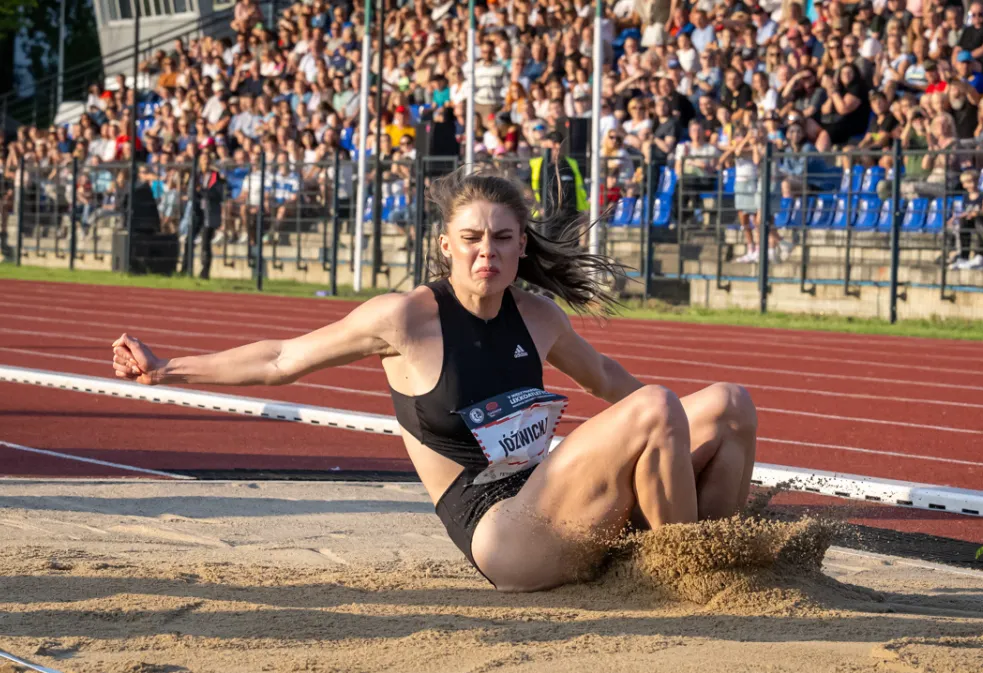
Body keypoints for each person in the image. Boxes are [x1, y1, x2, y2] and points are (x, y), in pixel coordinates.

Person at [111, 170, 757, 593]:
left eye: (503, 239)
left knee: (730, 404)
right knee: (657, 408)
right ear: (445, 245)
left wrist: (671, 435)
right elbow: (283, 358)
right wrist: (166, 368)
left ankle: (719, 564)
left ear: (522, 245)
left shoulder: (537, 315)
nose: (488, 252)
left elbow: (609, 379)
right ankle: (689, 581)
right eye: (472, 238)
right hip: (501, 533)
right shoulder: (406, 319)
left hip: (556, 503)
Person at [184, 151, 226, 280]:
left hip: (210, 211)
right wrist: (198, 193)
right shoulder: (196, 176)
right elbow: (191, 192)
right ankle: (186, 267)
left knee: (205, 242)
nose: (205, 162)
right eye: (203, 159)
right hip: (197, 210)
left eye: (207, 159)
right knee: (189, 239)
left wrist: (202, 191)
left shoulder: (216, 176)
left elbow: (217, 194)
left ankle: (205, 270)